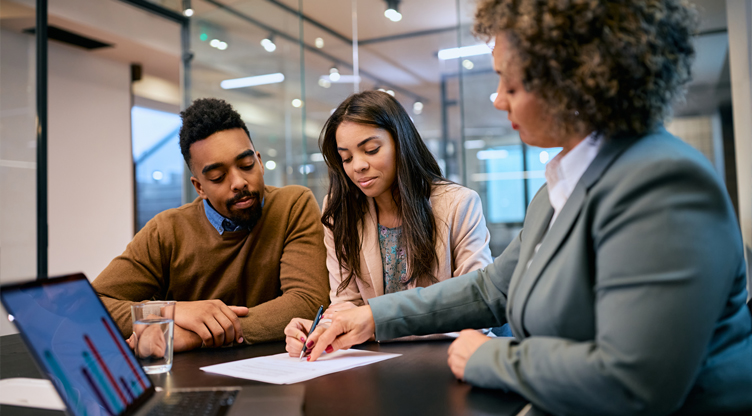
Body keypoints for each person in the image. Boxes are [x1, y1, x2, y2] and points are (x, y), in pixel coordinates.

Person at [305, 1, 752, 414]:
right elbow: (489, 290)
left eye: (511, 84)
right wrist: (373, 316)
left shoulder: (663, 183)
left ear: (575, 82)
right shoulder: (562, 186)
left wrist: (493, 357)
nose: (498, 99)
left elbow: (634, 381)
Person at [93, 98, 329, 352]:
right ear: (199, 187)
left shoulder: (293, 205)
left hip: (280, 377)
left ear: (259, 162)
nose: (238, 182)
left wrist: (195, 336)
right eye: (218, 176)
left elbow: (306, 302)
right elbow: (90, 306)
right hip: (191, 382)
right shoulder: (166, 231)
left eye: (247, 165)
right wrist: (171, 312)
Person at [284, 91, 494, 355]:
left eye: (371, 150)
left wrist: (376, 324)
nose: (358, 166)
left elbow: (477, 309)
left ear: (400, 142)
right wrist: (325, 327)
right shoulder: (339, 211)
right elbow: (346, 302)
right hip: (371, 365)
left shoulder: (459, 204)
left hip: (444, 361)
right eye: (346, 158)